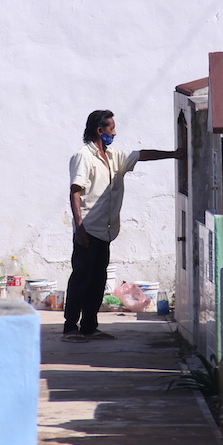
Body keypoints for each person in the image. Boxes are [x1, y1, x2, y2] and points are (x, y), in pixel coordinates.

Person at [63, 110, 181, 342]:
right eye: (111, 129)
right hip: (88, 229)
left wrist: (174, 154)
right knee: (81, 280)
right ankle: (70, 328)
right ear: (100, 130)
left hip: (106, 231)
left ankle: (89, 326)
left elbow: (141, 154)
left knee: (97, 281)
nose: (114, 133)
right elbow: (75, 192)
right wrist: (79, 227)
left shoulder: (114, 156)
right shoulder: (83, 157)